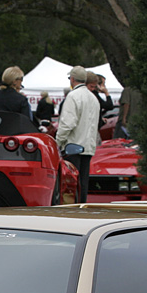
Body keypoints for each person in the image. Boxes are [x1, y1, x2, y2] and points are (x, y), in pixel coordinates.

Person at [56, 66, 100, 203]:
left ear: (73, 79)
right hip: (88, 146)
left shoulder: (73, 96)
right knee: (83, 181)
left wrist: (58, 142)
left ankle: (72, 207)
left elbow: (67, 123)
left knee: (71, 183)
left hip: (73, 145)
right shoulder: (93, 98)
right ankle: (82, 205)